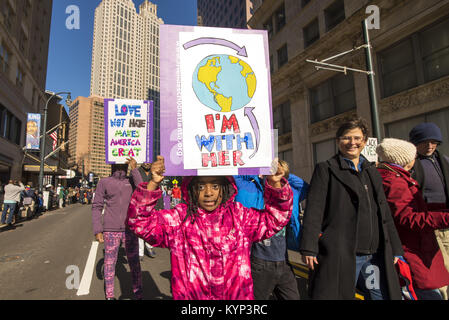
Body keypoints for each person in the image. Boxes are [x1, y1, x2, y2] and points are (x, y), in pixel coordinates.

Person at [126, 155, 293, 300]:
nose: (208, 193)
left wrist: (275, 183)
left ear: (225, 188)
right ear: (191, 189)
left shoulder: (240, 217)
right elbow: (139, 222)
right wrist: (153, 184)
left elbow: (276, 218)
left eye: (215, 186)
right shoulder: (179, 219)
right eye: (201, 186)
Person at [299, 117, 404, 300]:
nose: (352, 143)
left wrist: (396, 248)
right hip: (344, 255)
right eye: (346, 138)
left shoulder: (372, 171)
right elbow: (314, 211)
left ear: (364, 141)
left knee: (378, 295)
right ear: (338, 141)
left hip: (374, 255)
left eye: (357, 138)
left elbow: (384, 213)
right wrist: (309, 247)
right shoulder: (326, 169)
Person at [376, 138, 449, 299]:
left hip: (414, 249)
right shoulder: (394, 181)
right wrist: (445, 217)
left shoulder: (396, 177)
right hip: (411, 250)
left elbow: (417, 209)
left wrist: (443, 210)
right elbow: (408, 218)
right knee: (427, 294)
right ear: (404, 160)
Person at [233, 160, 309, 300]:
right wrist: (259, 171)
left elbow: (305, 187)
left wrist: (282, 174)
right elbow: (234, 176)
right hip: (257, 261)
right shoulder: (249, 189)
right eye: (271, 171)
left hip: (284, 261)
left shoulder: (289, 192)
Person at [409, 122, 449, 299]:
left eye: (434, 142)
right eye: (425, 142)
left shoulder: (444, 160)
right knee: (441, 267)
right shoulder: (411, 164)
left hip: (446, 220)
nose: (430, 146)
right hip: (429, 224)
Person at [92, 162, 143, 300]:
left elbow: (143, 192)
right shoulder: (104, 182)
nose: (121, 167)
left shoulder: (132, 180)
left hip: (130, 229)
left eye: (124, 165)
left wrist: (134, 169)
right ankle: (110, 296)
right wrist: (98, 229)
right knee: (109, 263)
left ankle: (138, 294)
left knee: (134, 263)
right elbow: (96, 206)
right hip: (110, 229)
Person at [129, 159, 157, 259]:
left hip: (152, 204)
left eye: (149, 161)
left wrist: (160, 206)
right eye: (145, 161)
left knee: (151, 227)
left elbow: (158, 188)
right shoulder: (135, 171)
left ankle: (149, 246)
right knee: (140, 228)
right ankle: (140, 252)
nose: (147, 163)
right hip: (139, 204)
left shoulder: (154, 173)